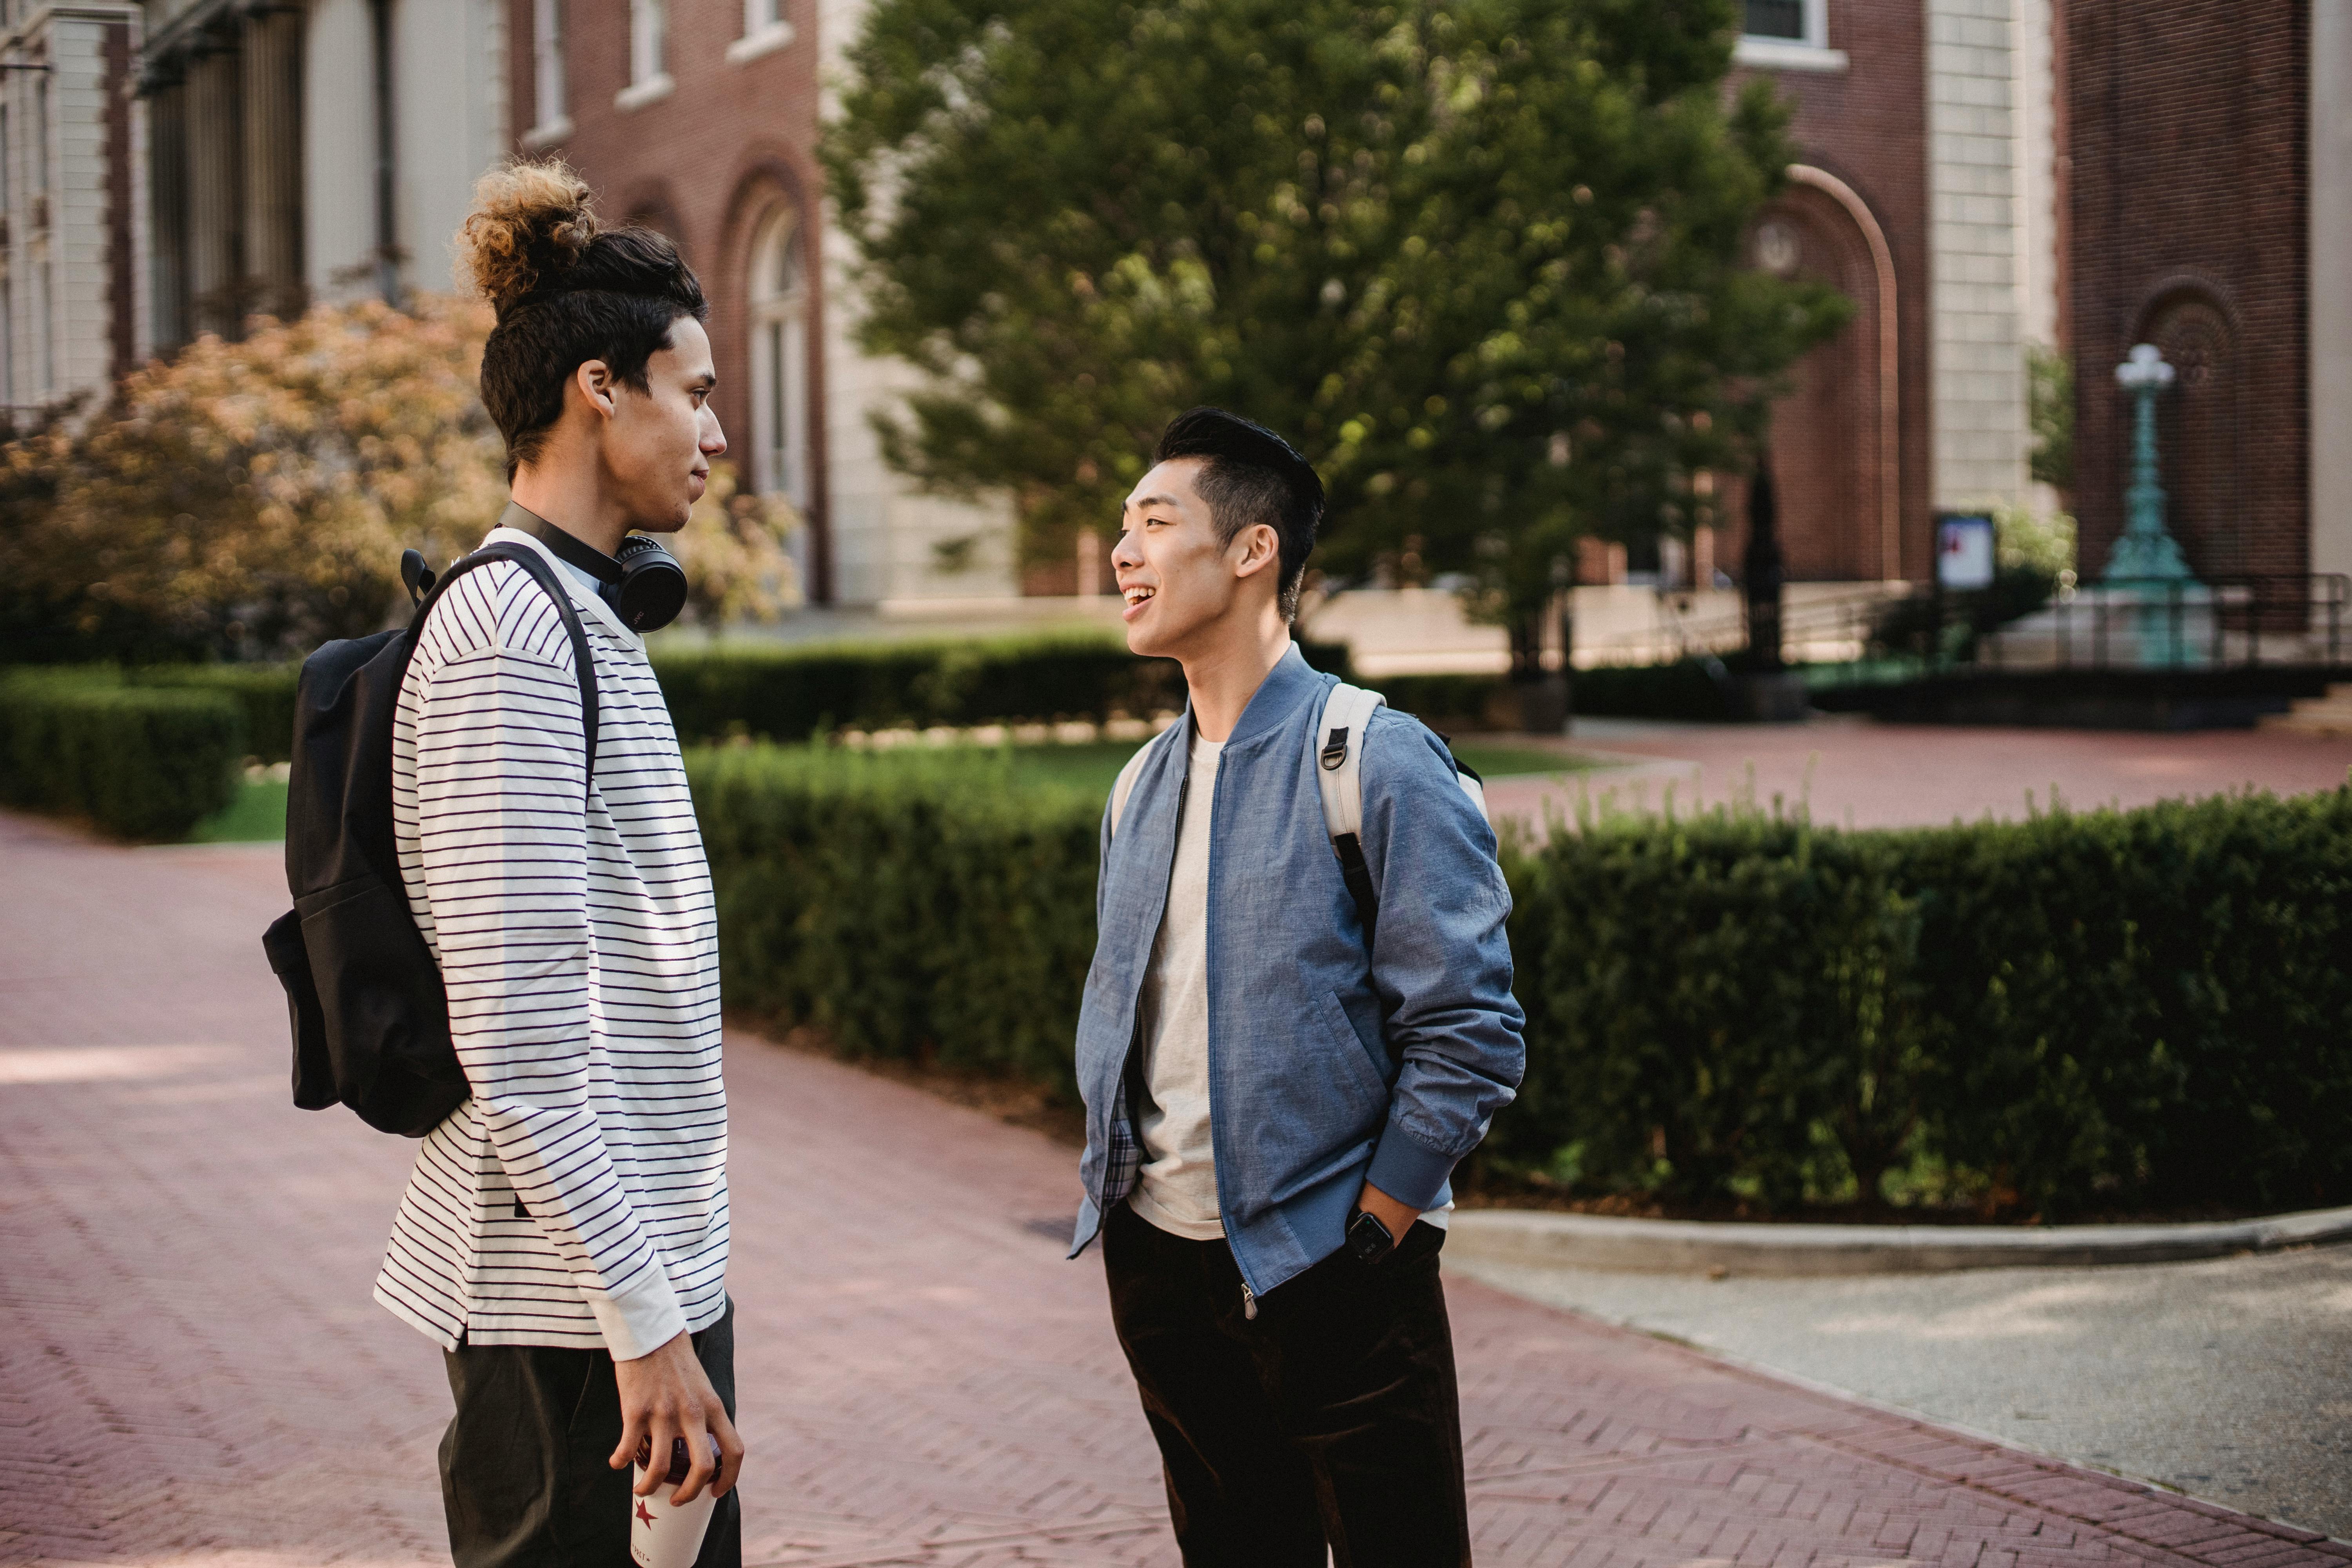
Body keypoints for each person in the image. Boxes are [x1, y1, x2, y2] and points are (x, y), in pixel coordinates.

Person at [1070, 408, 1526, 1566]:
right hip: (1168, 1283)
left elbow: (1470, 1030)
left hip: (1341, 1280)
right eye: (1122, 526)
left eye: (1155, 522)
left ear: (1251, 551)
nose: (1122, 552)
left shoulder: (1374, 757)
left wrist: (1377, 1227)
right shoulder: (1139, 786)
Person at [372, 161, 744, 1566]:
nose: (716, 431)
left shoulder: (578, 616)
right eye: (694, 391)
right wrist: (649, 1328)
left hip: (626, 1281)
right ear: (603, 388)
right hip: (574, 1312)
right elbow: (522, 1047)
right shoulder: (512, 638)